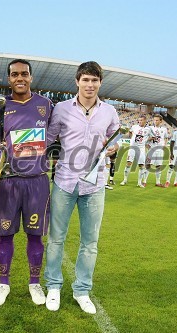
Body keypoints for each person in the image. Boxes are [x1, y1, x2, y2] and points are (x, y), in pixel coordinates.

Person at [45, 61, 120, 314]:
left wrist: (113, 148)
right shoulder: (62, 109)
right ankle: (53, 286)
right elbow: (49, 137)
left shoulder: (109, 111)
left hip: (95, 185)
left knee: (90, 242)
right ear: (77, 81)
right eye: (85, 80)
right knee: (56, 238)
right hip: (65, 182)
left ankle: (82, 290)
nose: (90, 85)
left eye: (94, 80)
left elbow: (115, 138)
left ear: (100, 83)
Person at [0, 59, 53, 307]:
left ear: (31, 77)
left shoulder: (46, 105)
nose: (20, 78)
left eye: (24, 74)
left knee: (35, 236)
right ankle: (3, 283)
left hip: (37, 182)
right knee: (5, 235)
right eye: (15, 74)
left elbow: (59, 136)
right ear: (8, 79)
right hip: (7, 181)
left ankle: (34, 283)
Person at [120, 115, 151, 187]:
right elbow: (130, 132)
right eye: (139, 120)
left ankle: (139, 183)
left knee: (141, 165)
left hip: (141, 149)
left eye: (141, 120)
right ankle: (125, 180)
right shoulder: (134, 127)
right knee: (128, 163)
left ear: (145, 121)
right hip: (132, 147)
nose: (139, 121)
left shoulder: (148, 129)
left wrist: (146, 142)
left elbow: (151, 137)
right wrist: (131, 139)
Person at [144, 114, 168, 187]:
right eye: (154, 120)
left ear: (161, 121)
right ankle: (144, 181)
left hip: (160, 150)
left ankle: (158, 182)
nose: (155, 121)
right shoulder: (149, 128)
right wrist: (148, 142)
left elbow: (166, 138)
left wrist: (165, 144)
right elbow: (144, 137)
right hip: (152, 149)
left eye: (157, 120)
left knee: (159, 166)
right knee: (148, 165)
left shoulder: (164, 129)